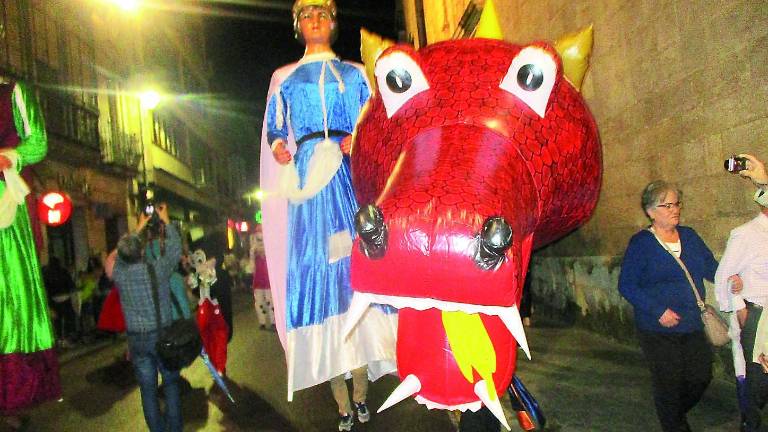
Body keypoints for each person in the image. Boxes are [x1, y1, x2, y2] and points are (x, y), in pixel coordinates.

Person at [260, 1, 397, 430]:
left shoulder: (356, 74)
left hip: (344, 175)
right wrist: (280, 145)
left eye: (322, 14)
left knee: (352, 265)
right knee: (315, 271)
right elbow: (275, 129)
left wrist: (359, 138)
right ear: (297, 26)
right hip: (306, 184)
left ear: (333, 23)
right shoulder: (283, 77)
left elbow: (375, 121)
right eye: (306, 16)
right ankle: (341, 402)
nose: (314, 21)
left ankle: (360, 394)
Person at [618, 180, 718, 432]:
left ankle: (671, 413)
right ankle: (674, 422)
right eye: (667, 205)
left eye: (676, 203)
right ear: (650, 211)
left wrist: (733, 278)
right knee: (669, 383)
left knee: (700, 376)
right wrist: (658, 311)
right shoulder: (641, 243)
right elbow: (627, 285)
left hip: (693, 323)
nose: (675, 209)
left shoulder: (691, 236)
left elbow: (712, 268)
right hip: (658, 329)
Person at [0, 80, 61, 430]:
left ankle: (12, 395)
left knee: (12, 297)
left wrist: (11, 155)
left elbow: (37, 141)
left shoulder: (13, 93)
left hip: (5, 205)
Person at [112, 204, 183, 432]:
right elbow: (175, 249)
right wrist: (167, 222)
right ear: (142, 252)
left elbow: (118, 256)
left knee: (148, 391)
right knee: (171, 384)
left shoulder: (119, 274)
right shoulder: (157, 269)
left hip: (137, 340)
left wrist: (138, 229)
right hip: (162, 336)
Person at [715, 153, 768, 432]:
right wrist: (740, 308)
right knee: (756, 386)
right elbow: (724, 276)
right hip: (758, 318)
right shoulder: (747, 234)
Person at [43, 256, 78, 346]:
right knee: (68, 319)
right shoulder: (63, 272)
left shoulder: (47, 274)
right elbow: (71, 285)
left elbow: (45, 288)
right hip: (65, 298)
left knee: (57, 321)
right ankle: (67, 338)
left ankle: (59, 339)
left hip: (54, 300)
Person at [251, 226, 275, 330]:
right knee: (259, 303)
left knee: (270, 302)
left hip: (268, 280)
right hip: (258, 280)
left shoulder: (270, 248)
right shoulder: (253, 250)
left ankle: (273, 321)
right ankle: (262, 322)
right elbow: (252, 266)